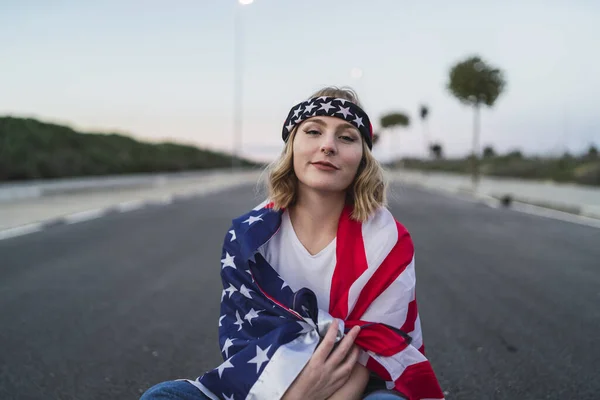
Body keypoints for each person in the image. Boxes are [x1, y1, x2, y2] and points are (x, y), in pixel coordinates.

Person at [140, 87, 444, 400]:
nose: (328, 146)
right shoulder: (248, 237)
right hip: (270, 382)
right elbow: (246, 343)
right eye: (313, 131)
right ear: (292, 146)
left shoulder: (387, 238)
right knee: (162, 397)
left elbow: (370, 349)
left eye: (347, 137)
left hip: (357, 385)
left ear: (362, 159)